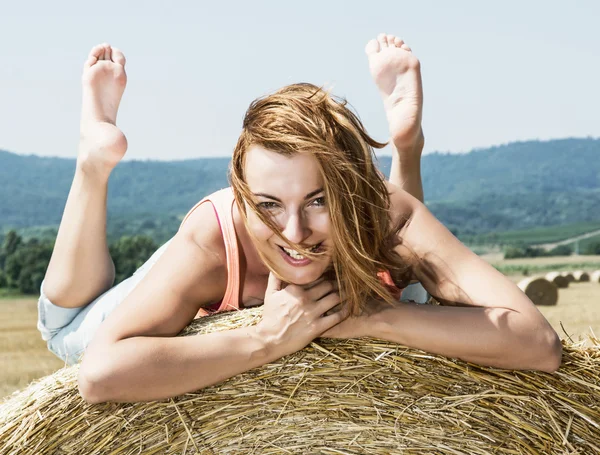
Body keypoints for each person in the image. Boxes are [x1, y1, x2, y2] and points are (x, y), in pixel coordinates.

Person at [37, 34, 561, 404]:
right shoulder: (214, 238)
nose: (293, 233)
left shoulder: (387, 214)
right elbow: (100, 375)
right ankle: (92, 162)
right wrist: (265, 340)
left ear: (355, 191)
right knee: (63, 328)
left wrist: (372, 321)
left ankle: (406, 146)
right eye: (268, 204)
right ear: (244, 198)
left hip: (374, 228)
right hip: (213, 249)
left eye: (318, 201)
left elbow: (537, 344)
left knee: (412, 291)